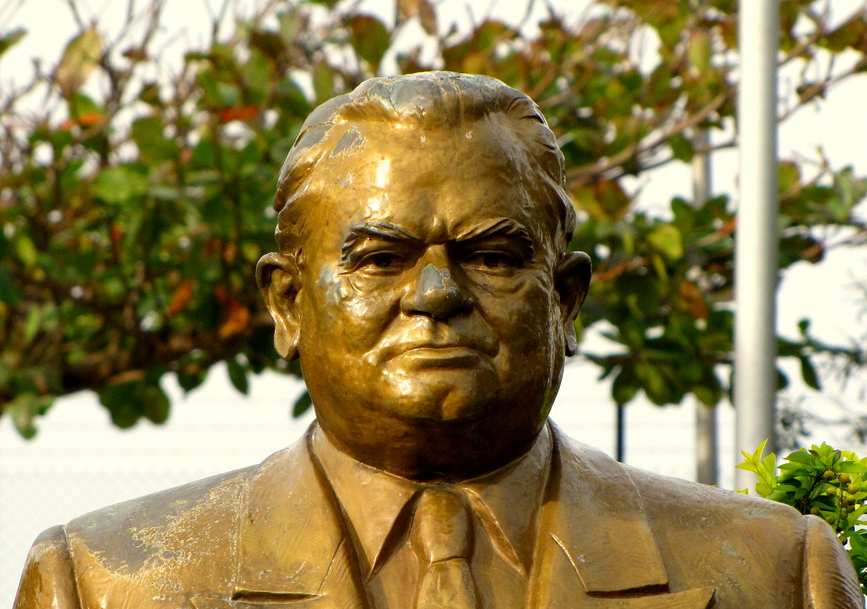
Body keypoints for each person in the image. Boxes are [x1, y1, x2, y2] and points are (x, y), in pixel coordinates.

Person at [14, 72, 862, 609]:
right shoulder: (106, 581)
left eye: (492, 254)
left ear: (565, 301)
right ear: (286, 301)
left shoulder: (774, 572)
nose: (435, 295)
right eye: (379, 257)